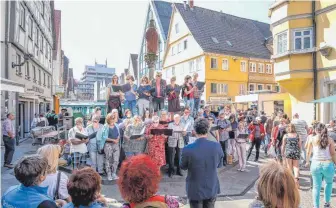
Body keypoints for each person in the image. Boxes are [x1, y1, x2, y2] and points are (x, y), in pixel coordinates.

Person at [181, 118, 224, 208]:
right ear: (208, 130)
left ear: (195, 131)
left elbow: (183, 166)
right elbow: (219, 164)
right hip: (211, 186)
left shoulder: (187, 148)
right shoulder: (216, 146)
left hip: (194, 188)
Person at [305, 123, 336, 208]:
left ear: (315, 130)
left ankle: (316, 206)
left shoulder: (312, 139)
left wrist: (307, 161)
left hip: (315, 164)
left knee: (316, 187)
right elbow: (333, 153)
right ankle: (326, 203)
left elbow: (308, 152)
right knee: (329, 183)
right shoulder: (330, 140)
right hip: (328, 164)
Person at [97, 113, 120, 181]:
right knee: (108, 160)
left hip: (116, 144)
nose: (113, 120)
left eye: (113, 118)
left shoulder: (116, 125)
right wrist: (113, 140)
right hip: (108, 145)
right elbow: (104, 137)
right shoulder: (105, 126)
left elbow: (118, 134)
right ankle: (109, 174)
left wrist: (117, 139)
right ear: (108, 119)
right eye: (111, 118)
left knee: (116, 160)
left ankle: (114, 173)